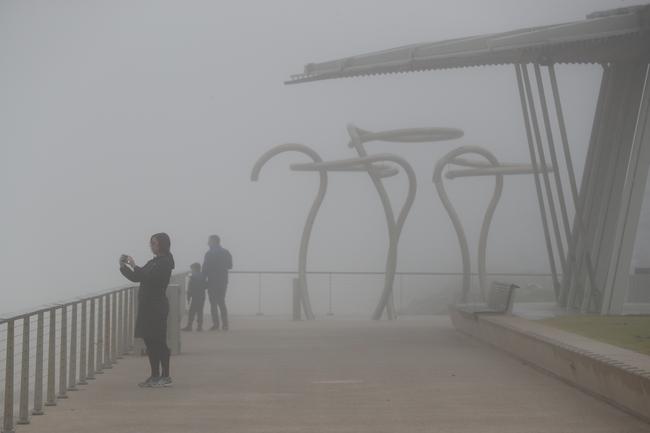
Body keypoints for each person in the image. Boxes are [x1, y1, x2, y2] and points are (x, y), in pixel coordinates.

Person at [120, 233, 175, 388]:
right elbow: (137, 277)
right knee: (149, 341)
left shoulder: (165, 263)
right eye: (151, 243)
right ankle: (154, 375)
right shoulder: (154, 262)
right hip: (147, 307)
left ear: (163, 245)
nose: (152, 246)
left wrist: (134, 264)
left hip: (157, 307)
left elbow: (149, 278)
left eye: (154, 243)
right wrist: (123, 267)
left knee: (159, 341)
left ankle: (165, 376)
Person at [203, 235, 233, 331]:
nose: (208, 243)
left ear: (214, 242)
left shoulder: (208, 254)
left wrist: (203, 280)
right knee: (221, 302)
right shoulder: (225, 252)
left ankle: (216, 325)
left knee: (213, 304)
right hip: (222, 281)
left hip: (212, 281)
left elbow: (204, 269)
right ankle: (225, 325)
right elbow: (230, 265)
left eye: (209, 241)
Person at [182, 262, 206, 332]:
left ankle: (189, 326)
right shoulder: (203, 276)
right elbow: (205, 286)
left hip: (195, 296)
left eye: (192, 269)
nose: (191, 270)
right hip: (202, 296)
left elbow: (190, 288)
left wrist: (188, 297)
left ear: (194, 269)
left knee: (192, 311)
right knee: (200, 311)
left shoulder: (193, 276)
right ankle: (199, 327)